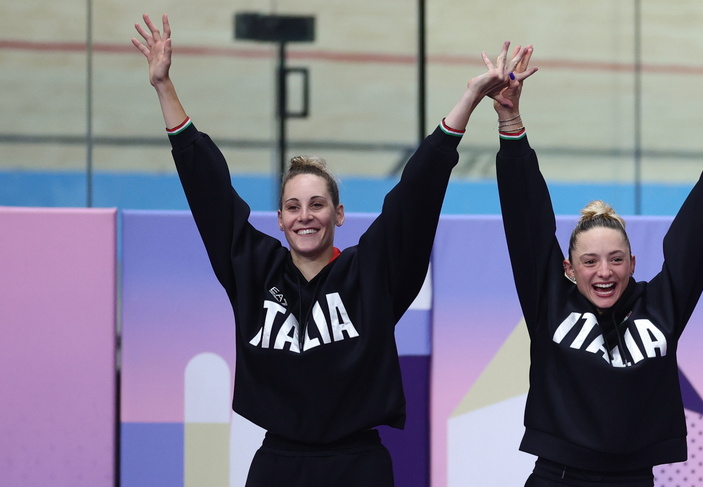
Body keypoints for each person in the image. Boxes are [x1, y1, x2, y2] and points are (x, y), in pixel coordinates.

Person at [132, 13, 536, 487]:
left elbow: (416, 195)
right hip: (278, 465)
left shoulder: (372, 274)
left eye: (318, 204)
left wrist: (468, 100)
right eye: (293, 206)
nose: (306, 215)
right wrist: (163, 86)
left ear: (339, 215)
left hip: (358, 465)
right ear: (280, 219)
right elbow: (208, 190)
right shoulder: (253, 268)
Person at [494, 47, 703, 487]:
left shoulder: (659, 307)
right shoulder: (549, 302)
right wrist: (509, 122)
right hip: (558, 477)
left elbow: (697, 238)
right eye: (590, 261)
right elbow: (526, 220)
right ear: (568, 268)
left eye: (616, 260)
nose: (604, 272)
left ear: (633, 264)